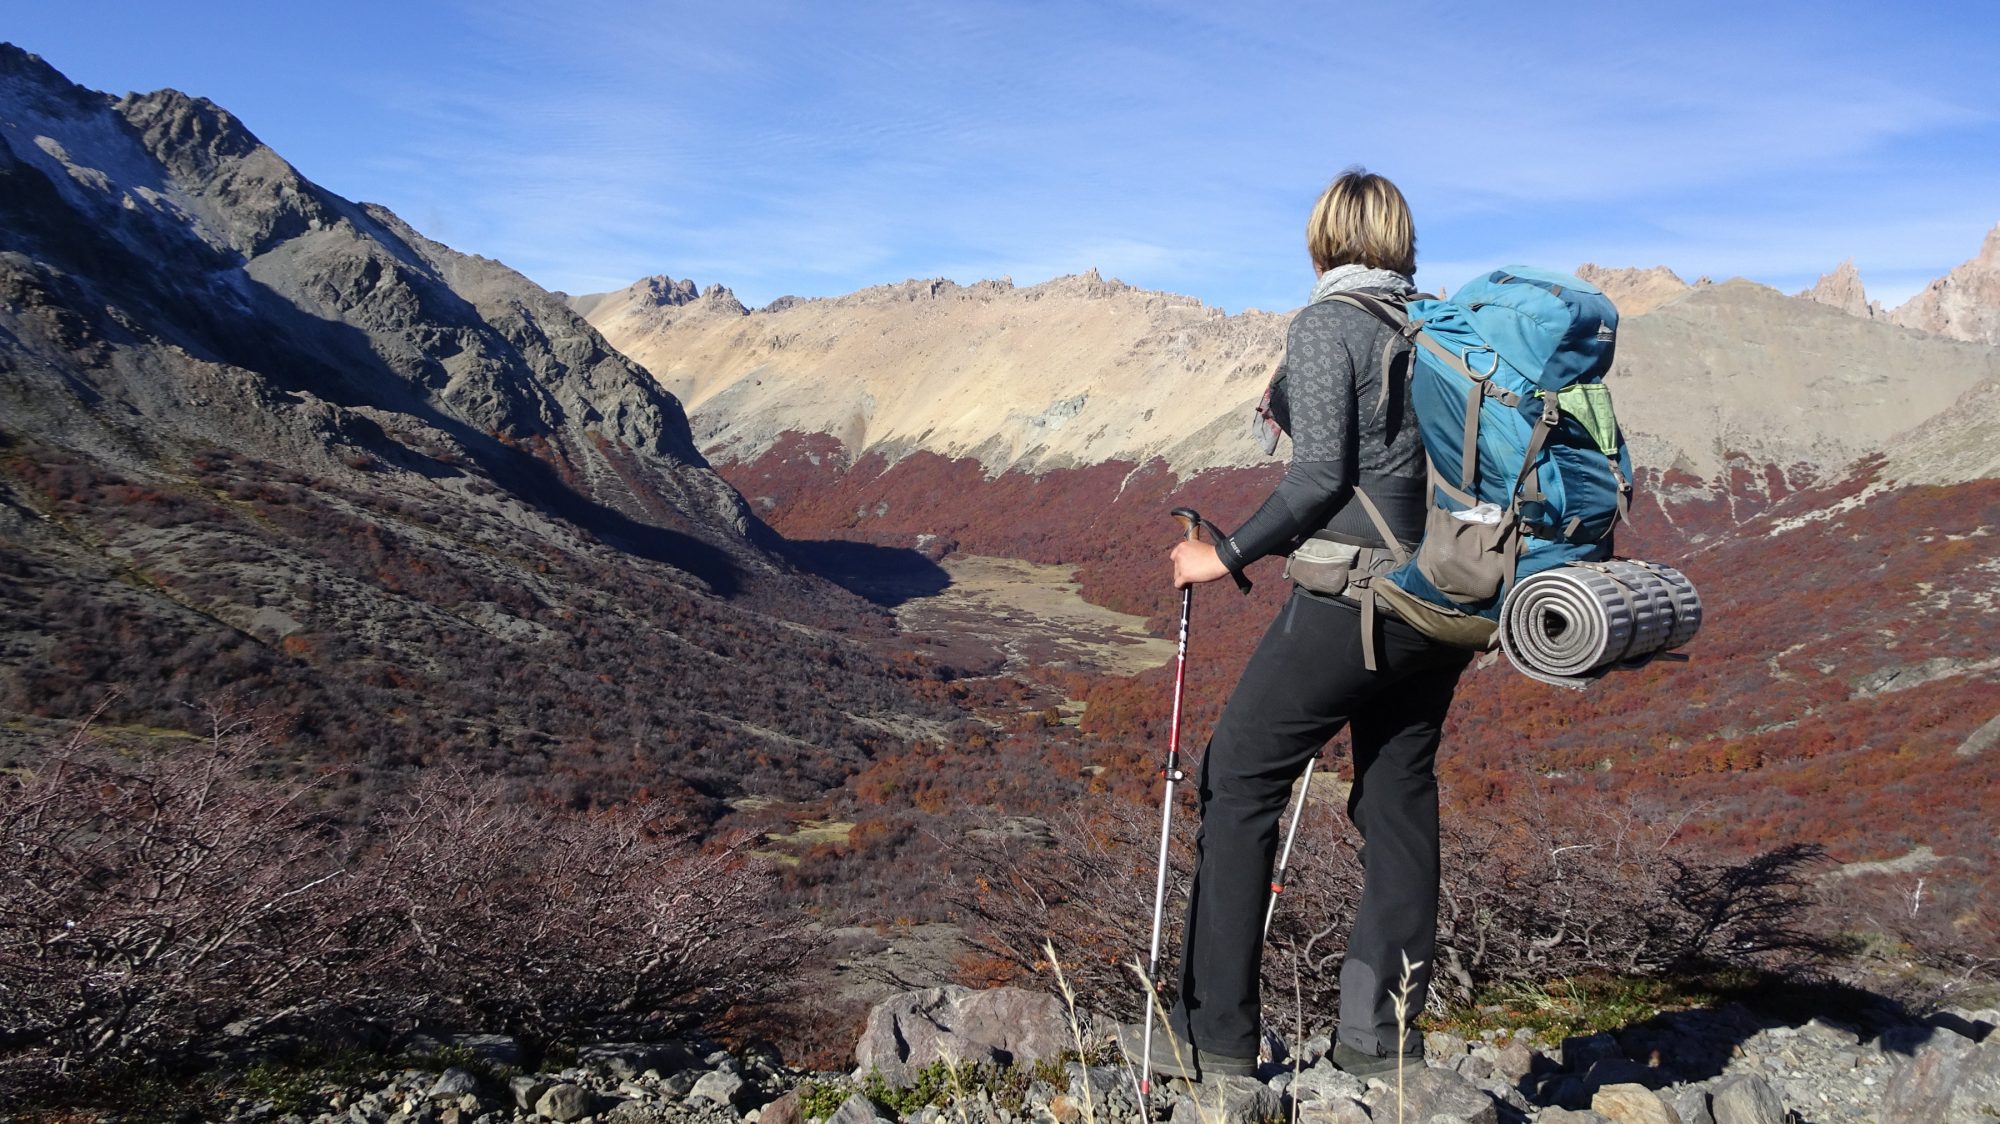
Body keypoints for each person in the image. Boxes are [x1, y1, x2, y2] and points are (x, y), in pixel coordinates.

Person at [1146, 168, 1472, 1080]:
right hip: (1443, 599)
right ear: (1401, 240)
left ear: (1323, 237)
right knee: (1399, 795)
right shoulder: (1437, 328)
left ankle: (1214, 1040)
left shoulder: (1331, 323)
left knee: (1239, 776)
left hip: (1355, 600)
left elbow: (1319, 476)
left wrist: (1226, 554)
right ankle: (1382, 1042)